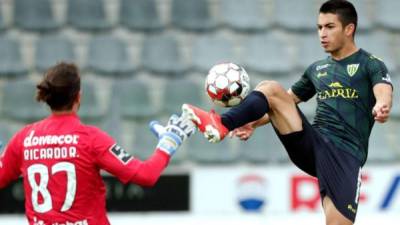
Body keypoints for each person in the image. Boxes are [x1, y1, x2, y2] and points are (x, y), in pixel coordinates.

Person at [181, 0, 393, 224]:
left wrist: (382, 104)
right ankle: (222, 124)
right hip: (312, 143)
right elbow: (283, 101)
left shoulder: (370, 64)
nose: (322, 33)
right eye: (319, 27)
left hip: (344, 156)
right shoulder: (317, 69)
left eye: (329, 27)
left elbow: (383, 91)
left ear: (349, 29)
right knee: (271, 89)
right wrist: (253, 123)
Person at [0, 62, 196, 225]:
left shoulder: (24, 138)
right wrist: (168, 144)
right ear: (78, 96)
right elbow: (146, 175)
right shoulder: (91, 139)